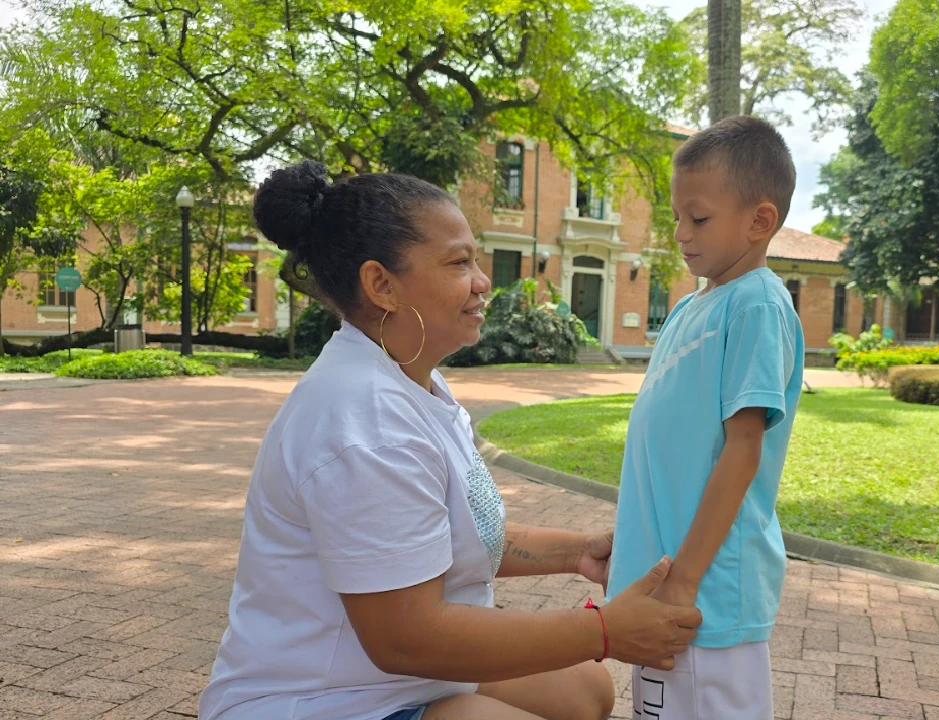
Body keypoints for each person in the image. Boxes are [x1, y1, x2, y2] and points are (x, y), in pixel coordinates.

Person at [198, 161, 702, 720]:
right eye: (459, 263)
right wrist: (604, 632)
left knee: (585, 690)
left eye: (477, 261)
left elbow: (445, 536)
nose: (483, 281)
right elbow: (408, 639)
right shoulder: (367, 421)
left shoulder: (411, 382)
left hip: (394, 682)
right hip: (323, 701)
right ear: (381, 285)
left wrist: (578, 552)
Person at [605, 116, 805, 719]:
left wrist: (687, 578)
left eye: (699, 219)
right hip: (662, 587)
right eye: (676, 217)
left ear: (759, 221)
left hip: (705, 594)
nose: (681, 234)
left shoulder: (756, 306)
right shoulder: (697, 304)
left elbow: (742, 449)